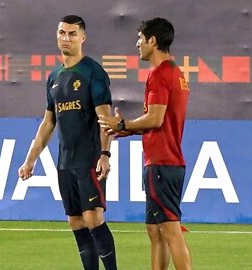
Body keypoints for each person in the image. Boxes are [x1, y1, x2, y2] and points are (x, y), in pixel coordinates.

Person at [18, 15, 117, 270]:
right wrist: (30, 160)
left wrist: (105, 153)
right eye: (62, 33)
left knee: (94, 218)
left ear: (83, 38)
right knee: (76, 222)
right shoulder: (54, 78)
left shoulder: (93, 72)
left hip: (89, 159)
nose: (66, 38)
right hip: (65, 162)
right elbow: (48, 123)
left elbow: (105, 118)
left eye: (72, 34)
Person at [98, 18, 192, 270]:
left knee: (170, 230)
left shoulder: (159, 74)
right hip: (166, 160)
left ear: (152, 41)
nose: (137, 44)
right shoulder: (176, 73)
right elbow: (160, 122)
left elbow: (155, 117)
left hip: (162, 163)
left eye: (140, 38)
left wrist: (122, 125)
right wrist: (128, 130)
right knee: (155, 230)